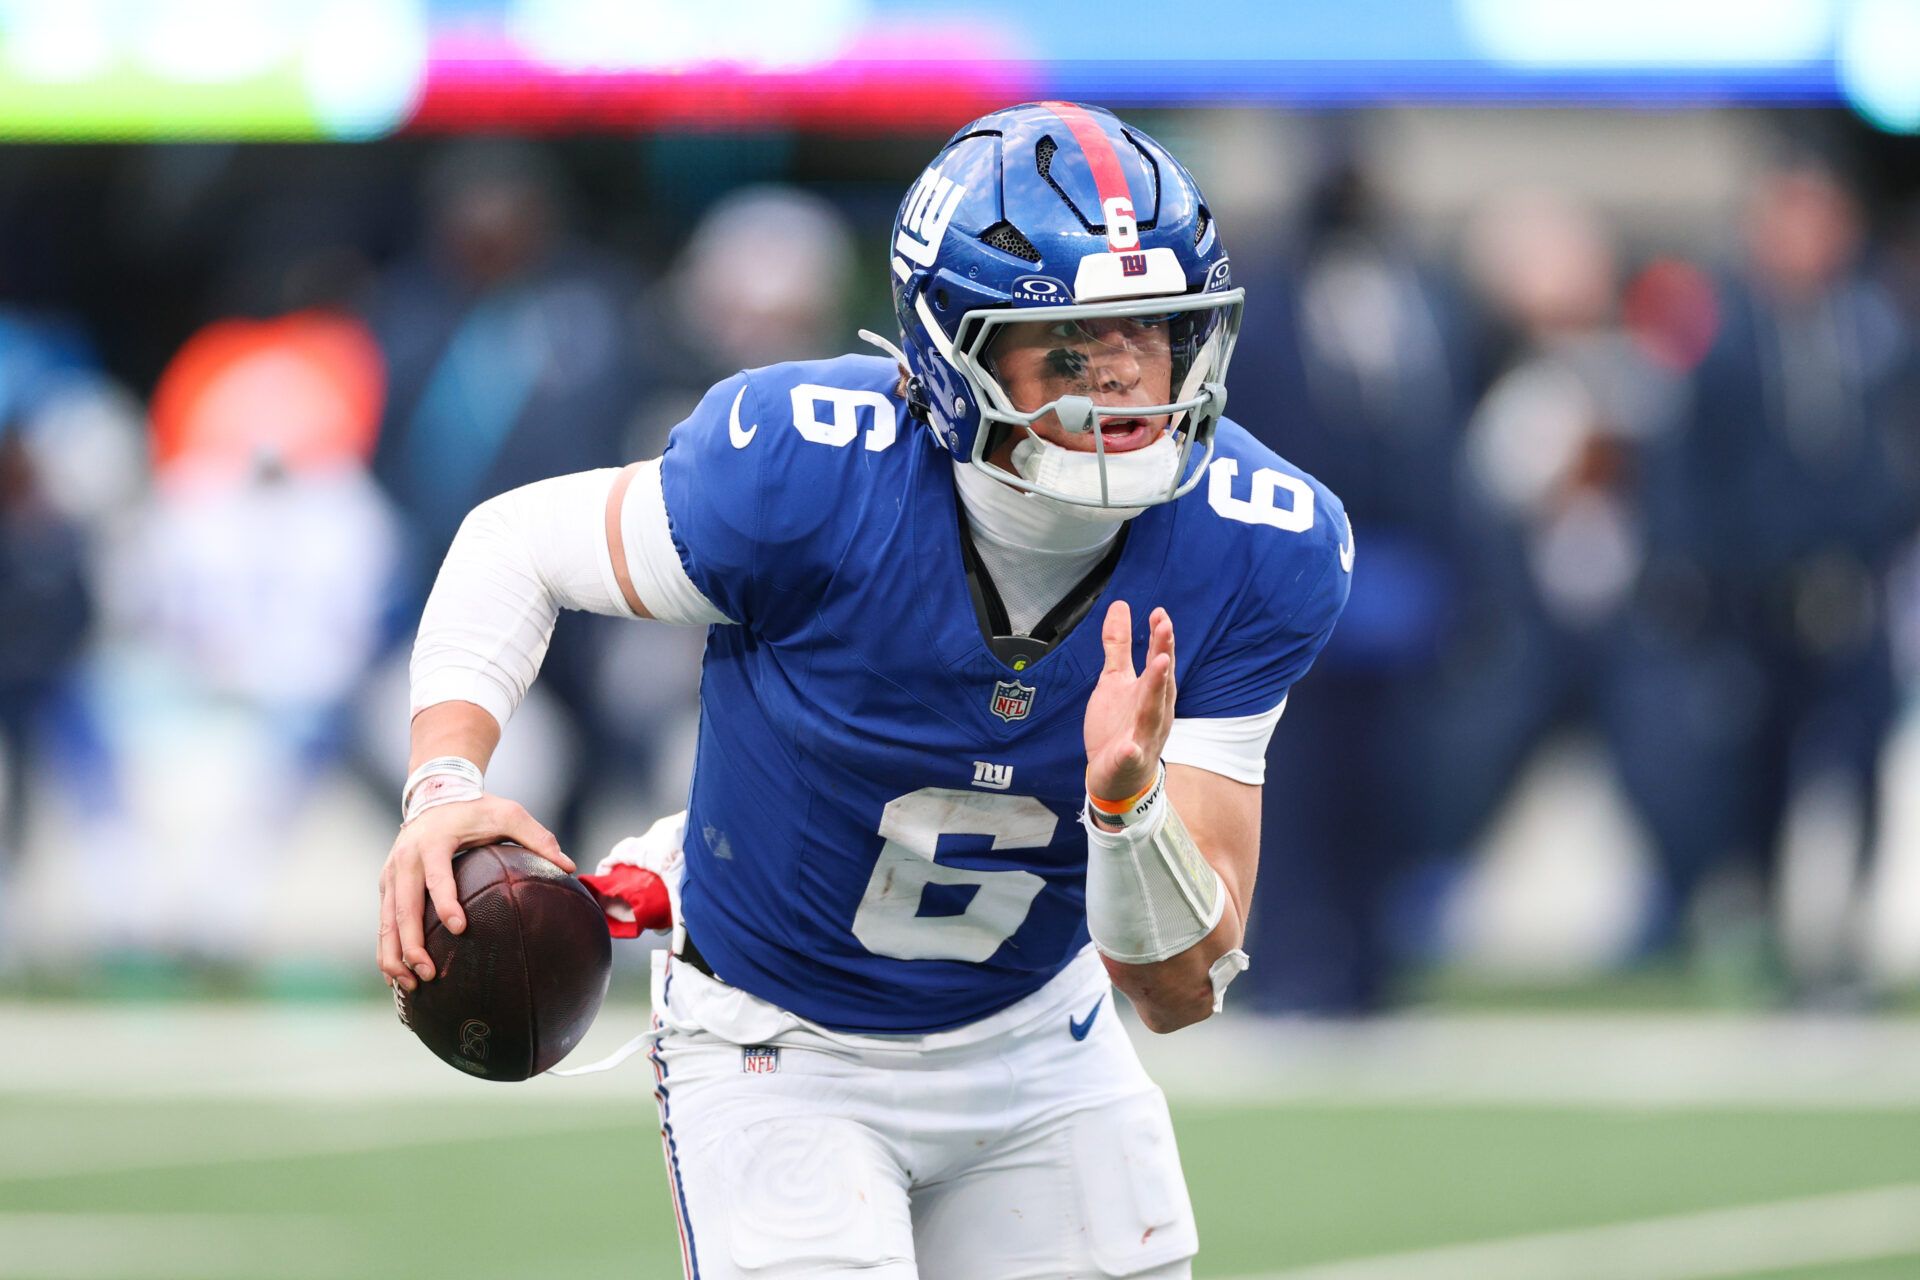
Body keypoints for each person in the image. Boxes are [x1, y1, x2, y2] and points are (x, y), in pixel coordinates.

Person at [378, 102, 1350, 1279]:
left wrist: (1125, 809)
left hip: (1037, 1040)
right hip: (779, 1037)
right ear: (952, 353)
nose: (1125, 384)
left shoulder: (1260, 541)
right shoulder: (808, 466)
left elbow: (1181, 987)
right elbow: (514, 543)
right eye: (1069, 349)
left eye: (1152, 334)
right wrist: (444, 785)